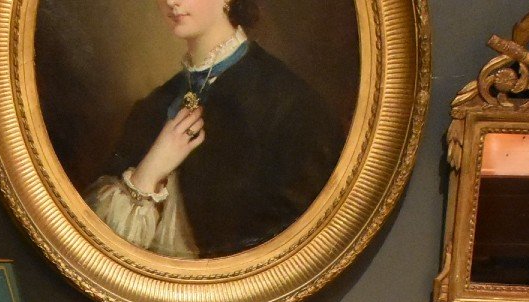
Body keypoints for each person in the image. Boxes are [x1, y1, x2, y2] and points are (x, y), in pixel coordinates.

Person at [85, 0, 344, 259]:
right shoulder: (152, 107)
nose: (171, 2)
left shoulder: (289, 103)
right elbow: (101, 245)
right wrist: (151, 170)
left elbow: (297, 241)